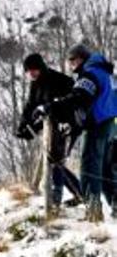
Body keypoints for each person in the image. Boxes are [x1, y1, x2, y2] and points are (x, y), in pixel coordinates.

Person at [40, 45, 117, 220]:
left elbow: (78, 98)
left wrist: (51, 107)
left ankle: (93, 213)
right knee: (107, 170)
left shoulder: (90, 74)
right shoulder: (107, 73)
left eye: (73, 60)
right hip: (113, 125)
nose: (71, 65)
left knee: (90, 167)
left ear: (81, 59)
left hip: (99, 127)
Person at [17, 52, 81, 205]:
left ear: (40, 68)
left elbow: (66, 104)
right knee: (53, 160)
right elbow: (31, 106)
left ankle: (55, 199)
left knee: (55, 160)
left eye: (33, 70)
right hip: (52, 125)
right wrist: (24, 125)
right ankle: (79, 192)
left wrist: (65, 123)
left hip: (68, 124)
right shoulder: (36, 83)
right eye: (28, 71)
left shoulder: (57, 80)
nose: (30, 74)